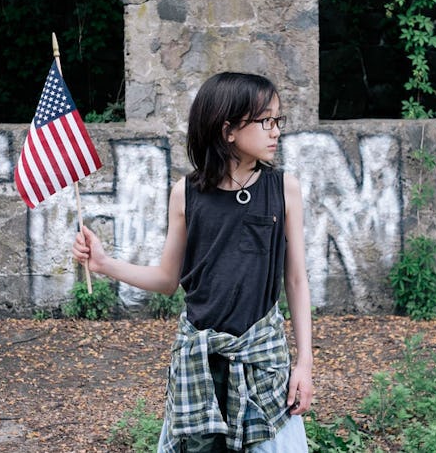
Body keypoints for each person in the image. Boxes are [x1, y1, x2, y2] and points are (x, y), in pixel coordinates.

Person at [72, 72, 313, 452]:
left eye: (277, 120)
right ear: (229, 130)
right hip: (198, 364)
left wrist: (304, 364)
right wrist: (104, 263)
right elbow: (169, 279)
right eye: (266, 120)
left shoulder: (283, 188)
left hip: (263, 359)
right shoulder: (186, 194)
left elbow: (296, 280)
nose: (275, 131)